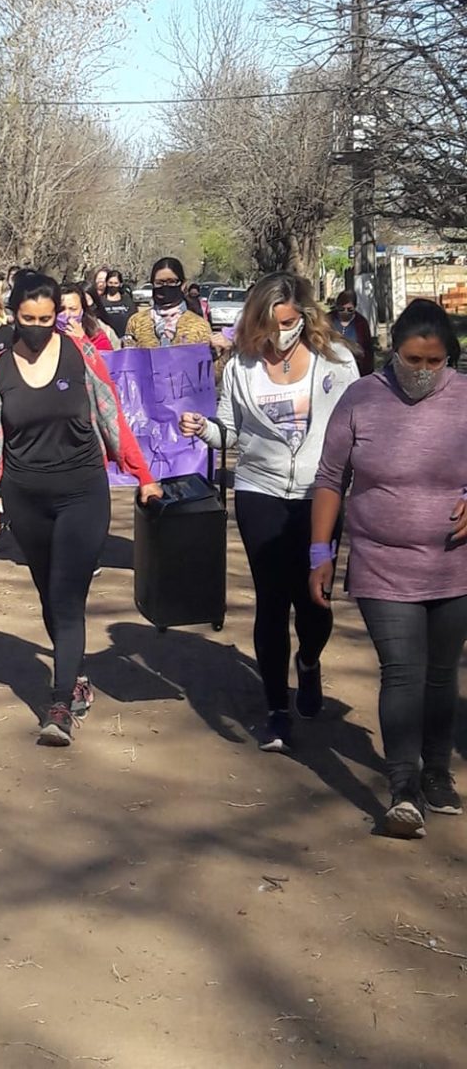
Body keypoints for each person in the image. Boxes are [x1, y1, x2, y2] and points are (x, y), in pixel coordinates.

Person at [0, 270, 162, 747]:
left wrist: (145, 476)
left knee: (68, 596)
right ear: (14, 316)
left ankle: (58, 706)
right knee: (50, 595)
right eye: (28, 318)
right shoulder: (0, 368)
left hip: (81, 494)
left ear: (59, 316)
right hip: (26, 498)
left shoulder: (81, 355)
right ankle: (75, 674)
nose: (37, 327)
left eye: (46, 318)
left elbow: (113, 416)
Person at [180, 272, 358, 751]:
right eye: (274, 323)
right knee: (272, 601)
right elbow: (230, 432)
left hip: (321, 495)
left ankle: (310, 662)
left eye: (291, 321)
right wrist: (204, 429)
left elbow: (360, 430)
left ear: (304, 316)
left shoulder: (337, 363)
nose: (282, 332)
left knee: (314, 602)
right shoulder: (241, 366)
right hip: (260, 491)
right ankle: (277, 709)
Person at [311, 299, 467, 838]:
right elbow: (331, 479)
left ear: (450, 357)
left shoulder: (466, 399)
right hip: (382, 563)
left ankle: (438, 771)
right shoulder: (362, 398)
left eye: (434, 362)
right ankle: (403, 787)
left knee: (442, 675)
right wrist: (320, 554)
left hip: (456, 568)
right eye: (412, 360)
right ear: (392, 351)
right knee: (403, 672)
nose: (422, 372)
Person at [125, 257, 214, 348]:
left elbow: (210, 361)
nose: (165, 287)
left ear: (183, 285)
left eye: (171, 282)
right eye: (159, 282)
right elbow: (127, 358)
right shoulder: (136, 322)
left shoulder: (199, 326)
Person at [330, 289, 374, 376]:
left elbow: (367, 351)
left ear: (355, 307)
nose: (345, 312)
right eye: (341, 309)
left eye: (349, 310)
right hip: (332, 368)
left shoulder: (361, 323)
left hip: (355, 370)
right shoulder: (328, 320)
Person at [59, 283, 114, 352]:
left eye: (73, 309)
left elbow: (103, 361)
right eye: (61, 309)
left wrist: (83, 340)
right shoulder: (47, 334)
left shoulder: (96, 335)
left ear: (82, 309)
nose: (67, 314)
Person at [97, 269, 135, 340]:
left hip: (126, 338)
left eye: (115, 283)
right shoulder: (100, 301)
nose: (113, 285)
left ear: (120, 284)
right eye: (110, 283)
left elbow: (134, 318)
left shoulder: (127, 300)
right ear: (106, 283)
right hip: (108, 338)